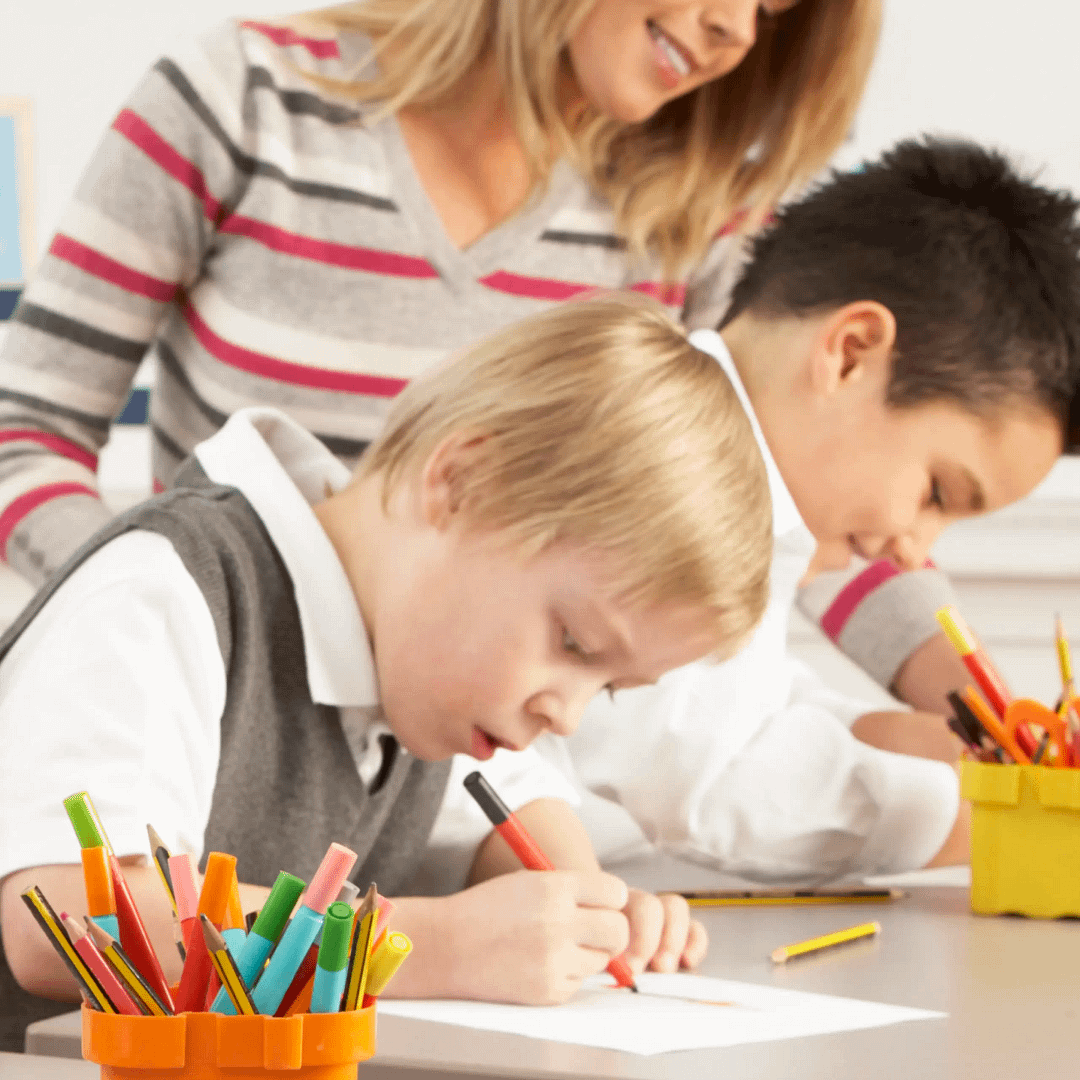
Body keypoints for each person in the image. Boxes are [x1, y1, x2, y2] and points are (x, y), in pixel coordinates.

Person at [0, 2, 961, 706]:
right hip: (221, 723)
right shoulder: (237, 104)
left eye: (772, 8)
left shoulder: (698, 226)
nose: (740, 32)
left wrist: (981, 711)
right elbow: (24, 428)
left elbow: (791, 512)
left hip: (482, 766)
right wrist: (165, 620)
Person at [0, 294, 771, 1050]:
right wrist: (435, 945)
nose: (567, 715)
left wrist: (586, 909)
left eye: (606, 686)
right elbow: (72, 918)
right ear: (461, 483)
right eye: (572, 642)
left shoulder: (412, 666)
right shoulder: (170, 590)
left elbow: (517, 814)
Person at [538, 138, 1080, 881]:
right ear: (850, 354)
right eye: (936, 495)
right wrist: (984, 821)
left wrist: (890, 736)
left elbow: (738, 707)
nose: (916, 551)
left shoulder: (747, 495)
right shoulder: (654, 469)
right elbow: (703, 788)